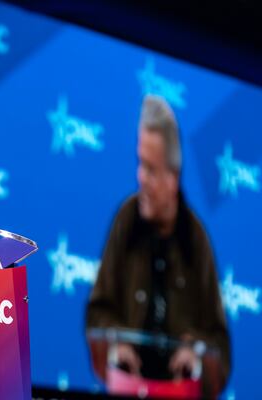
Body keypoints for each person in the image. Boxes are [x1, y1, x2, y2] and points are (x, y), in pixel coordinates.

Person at [86, 95, 230, 396]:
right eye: (140, 164)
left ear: (173, 179)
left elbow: (219, 343)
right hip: (128, 390)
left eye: (151, 169)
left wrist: (196, 352)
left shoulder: (196, 237)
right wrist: (117, 344)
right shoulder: (126, 219)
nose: (141, 177)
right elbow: (97, 312)